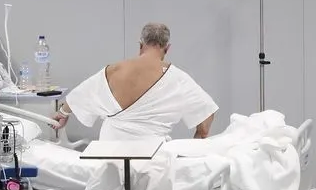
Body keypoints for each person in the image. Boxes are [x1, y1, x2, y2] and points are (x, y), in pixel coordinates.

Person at [52, 23, 218, 141]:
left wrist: (63, 113)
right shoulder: (178, 78)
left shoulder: (113, 70)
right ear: (167, 48)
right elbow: (206, 116)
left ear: (140, 45)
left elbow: (82, 95)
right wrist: (197, 142)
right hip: (152, 156)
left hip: (110, 152)